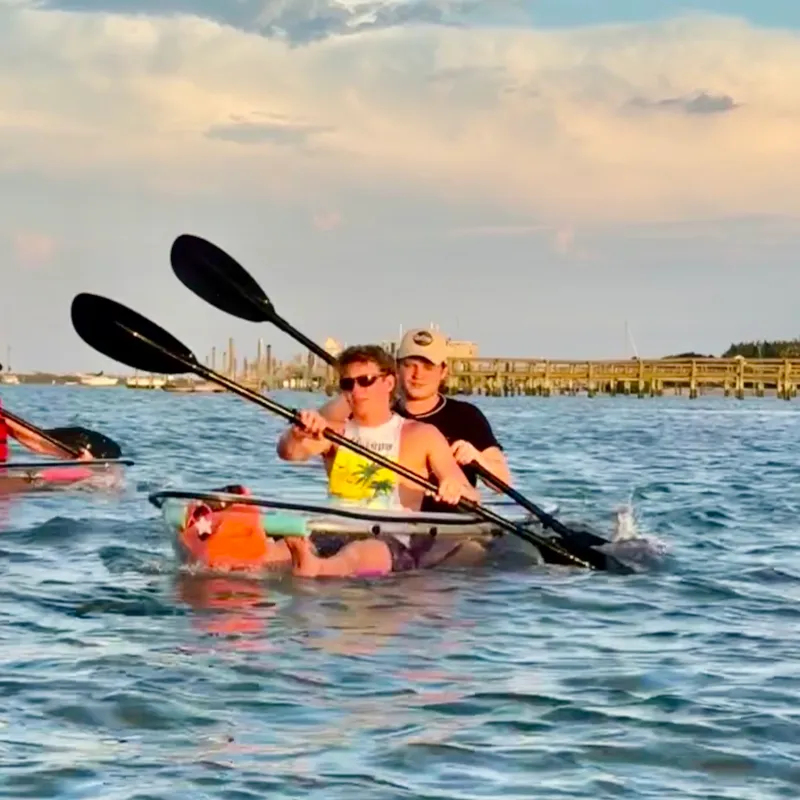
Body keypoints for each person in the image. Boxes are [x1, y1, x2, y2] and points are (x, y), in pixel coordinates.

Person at [275, 344, 483, 578]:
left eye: (365, 380)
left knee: (362, 552)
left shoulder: (421, 434)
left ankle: (316, 568)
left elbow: (469, 493)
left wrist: (455, 489)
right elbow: (289, 453)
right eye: (348, 383)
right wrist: (296, 434)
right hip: (330, 529)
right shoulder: (334, 433)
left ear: (389, 383)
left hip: (388, 538)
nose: (356, 390)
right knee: (276, 552)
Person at [317, 328, 511, 512]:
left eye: (428, 366)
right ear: (396, 369)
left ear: (443, 371)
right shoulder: (374, 410)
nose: (418, 375)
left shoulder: (466, 416)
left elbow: (502, 483)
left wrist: (478, 458)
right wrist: (358, 386)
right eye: (410, 365)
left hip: (451, 528)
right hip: (388, 525)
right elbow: (322, 422)